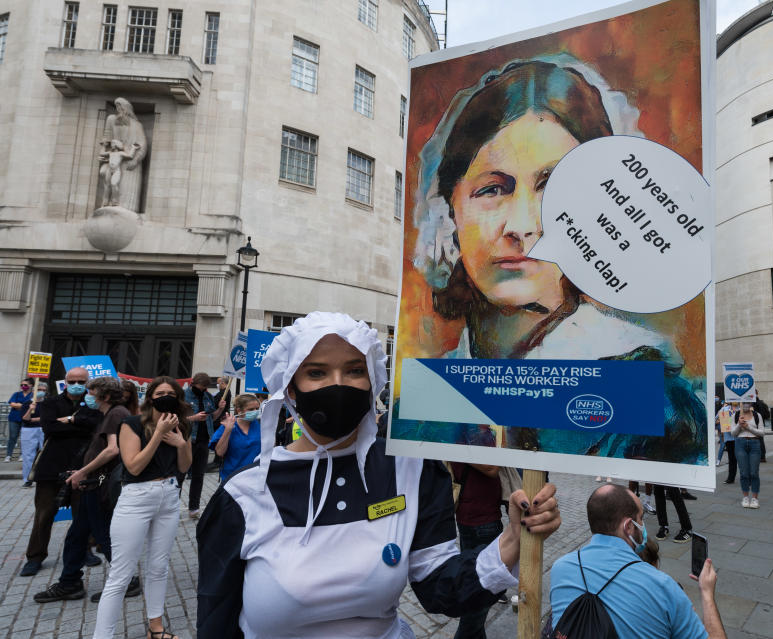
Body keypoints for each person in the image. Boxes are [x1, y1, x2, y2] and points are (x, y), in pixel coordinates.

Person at [394, 56, 707, 465]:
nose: (521, 226)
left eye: (552, 187)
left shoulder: (657, 403)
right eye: (492, 189)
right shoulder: (422, 405)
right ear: (451, 209)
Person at [196, 312, 560, 638]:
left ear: (374, 381)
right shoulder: (242, 495)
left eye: (355, 370)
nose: (337, 385)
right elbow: (216, 619)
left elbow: (440, 586)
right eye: (317, 372)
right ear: (291, 387)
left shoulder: (411, 469)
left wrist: (514, 538)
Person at [551, 484, 726, 639]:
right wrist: (707, 593)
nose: (643, 526)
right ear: (628, 526)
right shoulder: (662, 586)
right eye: (640, 518)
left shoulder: (560, 569)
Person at [92, 376, 192, 639]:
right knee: (121, 574)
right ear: (150, 397)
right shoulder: (132, 423)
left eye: (171, 393)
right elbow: (134, 466)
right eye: (160, 393)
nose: (165, 397)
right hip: (137, 497)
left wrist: (181, 443)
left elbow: (184, 466)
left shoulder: (182, 425)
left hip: (169, 496)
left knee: (159, 567)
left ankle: (155, 629)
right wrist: (158, 435)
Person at [33, 377, 131, 603]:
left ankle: (127, 580)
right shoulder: (112, 413)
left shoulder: (115, 413)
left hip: (99, 485)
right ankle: (70, 582)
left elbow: (112, 450)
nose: (88, 396)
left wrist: (82, 471)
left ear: (104, 396)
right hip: (93, 485)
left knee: (104, 536)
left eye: (91, 392)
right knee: (77, 536)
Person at [20, 368, 100, 577]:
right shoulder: (50, 403)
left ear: (87, 382)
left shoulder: (93, 403)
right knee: (44, 514)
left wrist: (70, 420)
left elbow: (96, 427)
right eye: (72, 380)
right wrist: (79, 424)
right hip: (51, 466)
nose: (76, 384)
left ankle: (85, 550)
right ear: (65, 382)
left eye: (80, 381)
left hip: (83, 465)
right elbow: (50, 428)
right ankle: (35, 556)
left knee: (82, 513)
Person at [449, 462, 505, 639]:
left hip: (475, 516)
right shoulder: (469, 439)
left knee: (474, 583)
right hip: (480, 520)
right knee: (479, 594)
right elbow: (491, 468)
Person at [184, 372, 224, 518]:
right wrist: (194, 418)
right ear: (194, 383)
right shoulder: (184, 395)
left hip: (203, 440)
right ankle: (172, 507)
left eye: (206, 387)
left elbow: (212, 417)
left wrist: (219, 409)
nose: (203, 390)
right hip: (187, 439)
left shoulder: (207, 396)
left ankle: (193, 507)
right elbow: (177, 418)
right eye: (201, 387)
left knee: (199, 475)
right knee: (181, 474)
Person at [209, 394, 261, 482]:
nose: (255, 412)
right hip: (232, 477)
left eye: (257, 408)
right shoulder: (228, 426)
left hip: (255, 477)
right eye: (251, 409)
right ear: (239, 410)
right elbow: (220, 452)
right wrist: (228, 430)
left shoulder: (259, 425)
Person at [732, 403, 764, 509]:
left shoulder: (757, 415)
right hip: (740, 444)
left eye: (747, 402)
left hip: (754, 444)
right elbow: (733, 433)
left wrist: (748, 427)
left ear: (750, 403)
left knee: (754, 472)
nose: (745, 405)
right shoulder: (736, 415)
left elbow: (761, 433)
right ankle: (745, 497)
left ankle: (755, 498)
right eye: (743, 403)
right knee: (744, 472)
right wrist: (739, 425)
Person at [18, 381, 47, 487]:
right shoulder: (27, 403)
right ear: (34, 391)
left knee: (45, 453)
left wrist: (33, 419)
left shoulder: (47, 403)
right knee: (28, 455)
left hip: (43, 429)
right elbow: (25, 419)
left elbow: (47, 418)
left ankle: (43, 477)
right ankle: (28, 479)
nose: (41, 392)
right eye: (39, 390)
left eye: (44, 390)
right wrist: (30, 410)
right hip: (28, 430)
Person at [6, 377, 34, 462]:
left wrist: (19, 405)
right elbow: (12, 404)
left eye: (25, 385)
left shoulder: (33, 395)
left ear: (31, 385)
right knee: (12, 437)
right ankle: (8, 455)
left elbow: (32, 405)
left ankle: (22, 454)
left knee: (24, 438)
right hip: (14, 418)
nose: (23, 386)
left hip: (26, 419)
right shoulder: (16, 394)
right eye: (21, 385)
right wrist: (24, 405)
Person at [715, 401, 737, 484]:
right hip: (729, 437)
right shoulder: (724, 409)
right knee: (732, 459)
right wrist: (720, 422)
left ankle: (746, 477)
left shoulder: (742, 409)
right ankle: (731, 478)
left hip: (740, 438)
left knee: (743, 459)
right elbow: (715, 419)